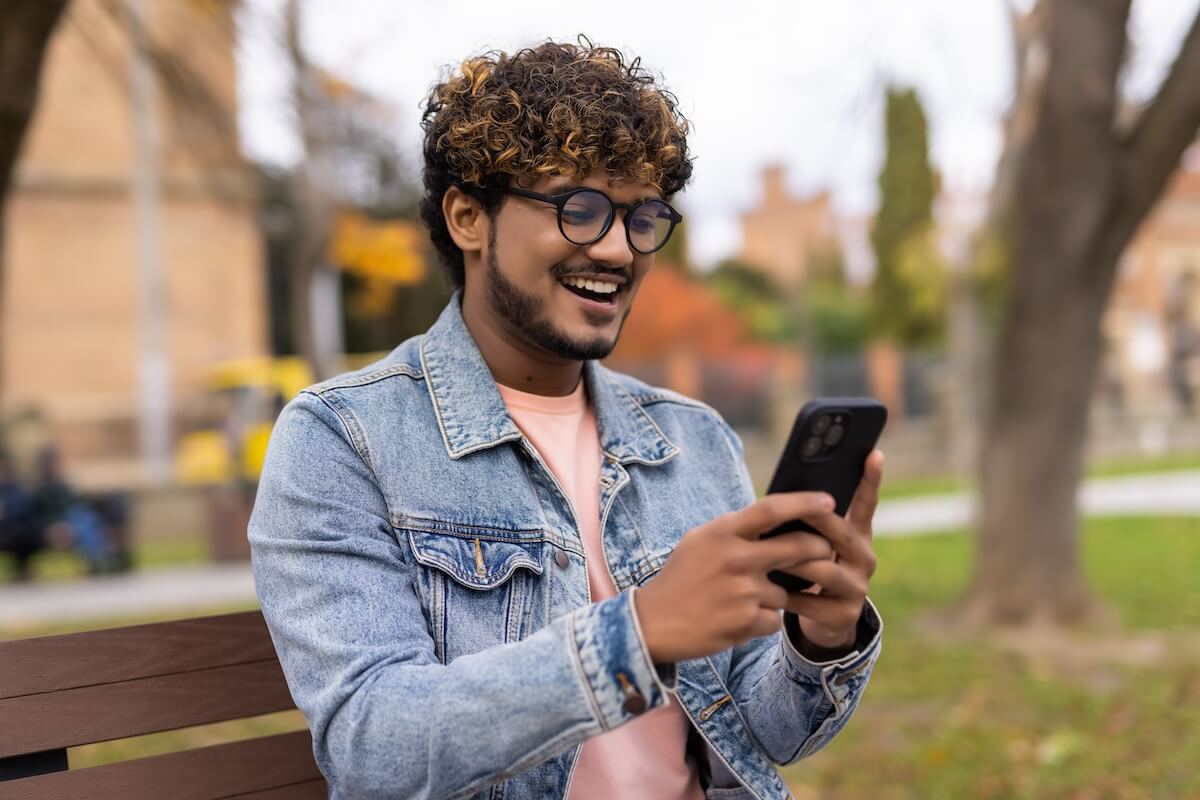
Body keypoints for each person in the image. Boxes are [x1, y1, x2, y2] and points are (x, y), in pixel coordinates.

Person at [249, 38, 884, 800]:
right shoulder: (342, 440)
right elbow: (372, 744)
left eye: (642, 217)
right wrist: (636, 636)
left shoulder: (690, 438)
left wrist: (822, 636)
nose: (618, 249)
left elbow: (765, 728)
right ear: (467, 217)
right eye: (579, 209)